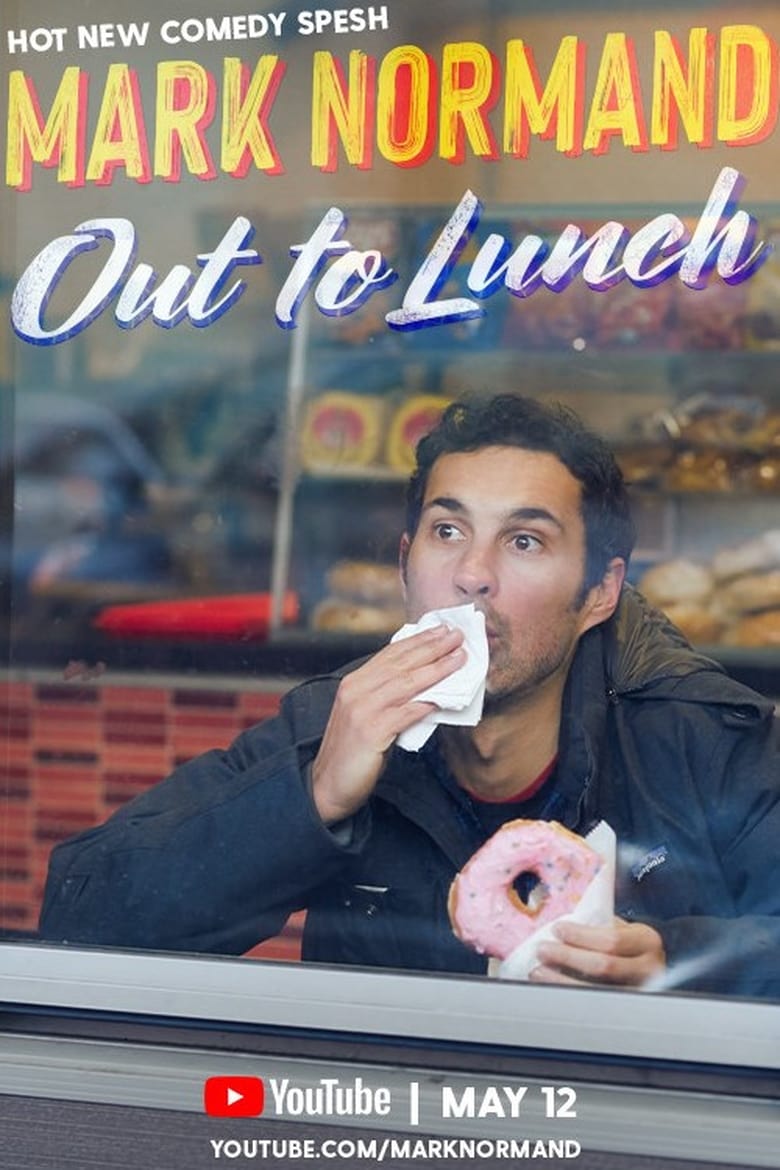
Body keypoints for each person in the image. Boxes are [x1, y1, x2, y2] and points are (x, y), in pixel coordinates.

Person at [39, 394, 779, 997]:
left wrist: (673, 962)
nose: (472, 574)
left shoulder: (695, 739)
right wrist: (314, 795)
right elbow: (80, 916)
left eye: (524, 541)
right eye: (447, 530)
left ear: (600, 593)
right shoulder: (344, 722)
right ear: (405, 569)